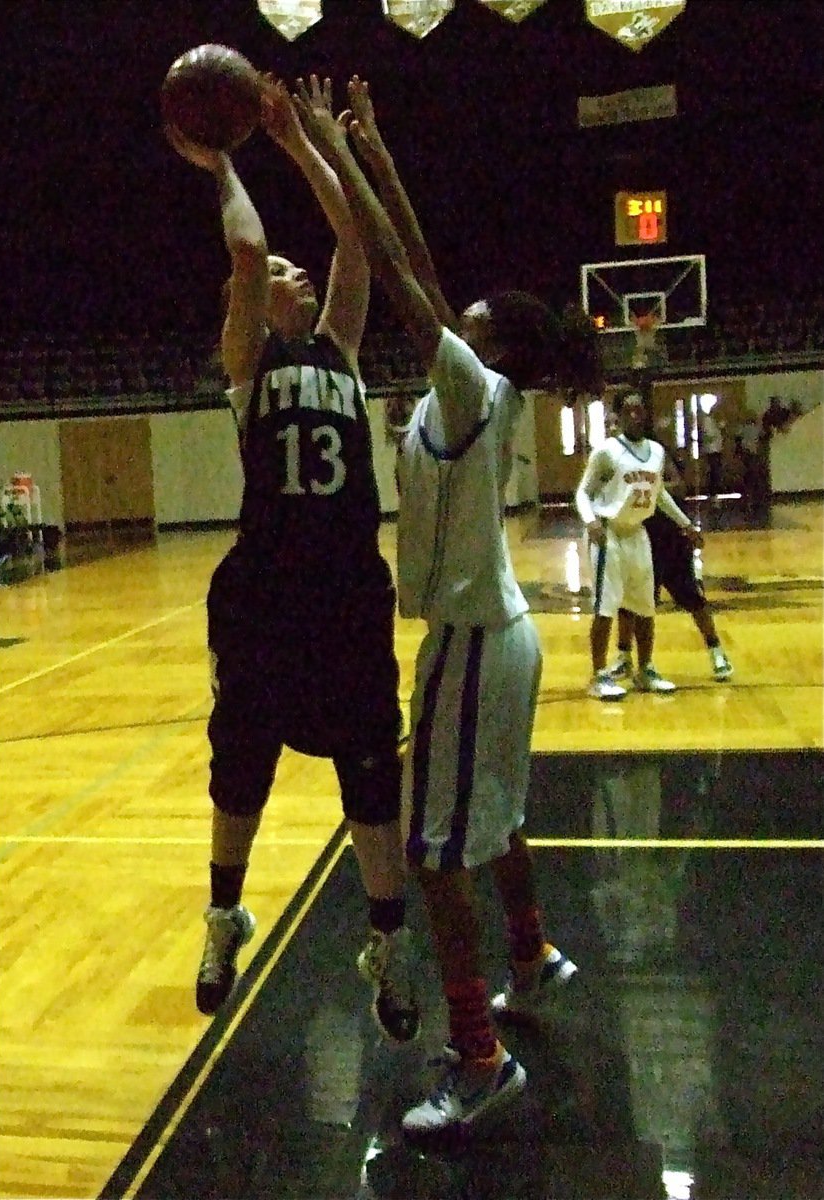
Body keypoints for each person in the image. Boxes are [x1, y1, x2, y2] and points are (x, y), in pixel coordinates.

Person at [294, 75, 599, 1136]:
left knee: (433, 855)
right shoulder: (468, 387)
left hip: (473, 644)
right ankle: (534, 956)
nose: (447, 305)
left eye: (466, 318)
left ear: (490, 345)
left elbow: (398, 274)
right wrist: (374, 148)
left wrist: (330, 162)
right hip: (490, 634)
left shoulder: (471, 387)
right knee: (496, 816)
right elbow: (419, 266)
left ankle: (478, 1053)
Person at [165, 77, 419, 1043]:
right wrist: (225, 156)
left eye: (300, 276)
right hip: (269, 598)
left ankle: (389, 946)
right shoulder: (247, 366)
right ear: (252, 298)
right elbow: (245, 250)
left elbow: (353, 233)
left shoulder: (341, 353)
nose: (299, 276)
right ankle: (225, 916)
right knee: (242, 764)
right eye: (283, 277)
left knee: (371, 782)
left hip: (348, 594)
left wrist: (299, 142)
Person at [575, 386, 702, 700]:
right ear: (617, 417)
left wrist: (686, 524)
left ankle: (645, 669)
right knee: (606, 608)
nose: (635, 415)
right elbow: (582, 493)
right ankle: (599, 676)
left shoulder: (657, 452)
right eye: (628, 410)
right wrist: (590, 522)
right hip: (608, 533)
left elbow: (659, 495)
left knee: (646, 607)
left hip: (637, 533)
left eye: (639, 410)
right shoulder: (606, 451)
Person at [610, 424, 734, 683]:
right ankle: (625, 658)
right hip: (638, 536)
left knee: (691, 597)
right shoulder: (613, 458)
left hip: (670, 538)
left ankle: (716, 650)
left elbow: (677, 485)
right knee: (630, 601)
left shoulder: (655, 453)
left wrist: (649, 487)